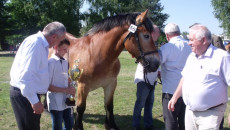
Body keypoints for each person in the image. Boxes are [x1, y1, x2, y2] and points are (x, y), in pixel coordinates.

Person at [168, 24, 230, 129]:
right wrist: (175, 97)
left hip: (211, 114)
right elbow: (184, 78)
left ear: (204, 40)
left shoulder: (222, 57)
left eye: (191, 40)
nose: (189, 43)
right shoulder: (192, 56)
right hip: (190, 112)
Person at [10, 21, 66, 130]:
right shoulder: (35, 44)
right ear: (54, 37)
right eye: (60, 40)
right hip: (25, 96)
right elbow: (25, 77)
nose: (58, 44)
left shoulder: (40, 44)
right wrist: (34, 101)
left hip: (28, 94)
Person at [159, 23, 191, 130]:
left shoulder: (166, 48)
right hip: (187, 90)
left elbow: (156, 64)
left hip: (170, 91)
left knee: (170, 122)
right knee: (185, 122)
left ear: (167, 35)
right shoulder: (189, 45)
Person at [133, 25, 160, 130]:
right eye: (157, 32)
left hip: (152, 79)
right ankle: (136, 126)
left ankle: (148, 125)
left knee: (149, 104)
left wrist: (159, 71)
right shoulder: (145, 45)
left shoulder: (153, 44)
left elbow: (156, 61)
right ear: (152, 33)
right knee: (140, 104)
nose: (158, 34)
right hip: (143, 79)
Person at [47, 39, 76, 130]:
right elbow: (48, 86)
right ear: (56, 47)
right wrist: (65, 90)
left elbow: (65, 78)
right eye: (64, 49)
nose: (66, 52)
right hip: (55, 101)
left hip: (67, 99)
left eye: (67, 49)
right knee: (57, 127)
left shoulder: (65, 62)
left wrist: (70, 86)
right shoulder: (50, 63)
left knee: (70, 124)